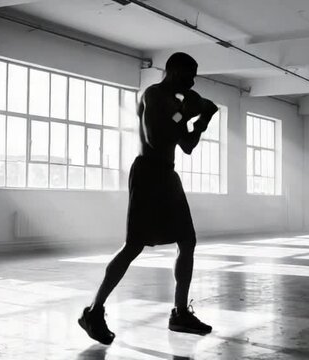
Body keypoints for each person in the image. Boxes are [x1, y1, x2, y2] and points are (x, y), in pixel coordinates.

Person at [78, 52, 218, 345]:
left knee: (187, 241)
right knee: (133, 246)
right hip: (147, 174)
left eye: (194, 76)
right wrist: (188, 116)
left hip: (168, 175)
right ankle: (94, 310)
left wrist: (202, 117)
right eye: (187, 75)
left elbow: (188, 144)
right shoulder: (154, 96)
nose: (192, 82)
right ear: (172, 71)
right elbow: (156, 138)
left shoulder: (178, 102)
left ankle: (180, 313)